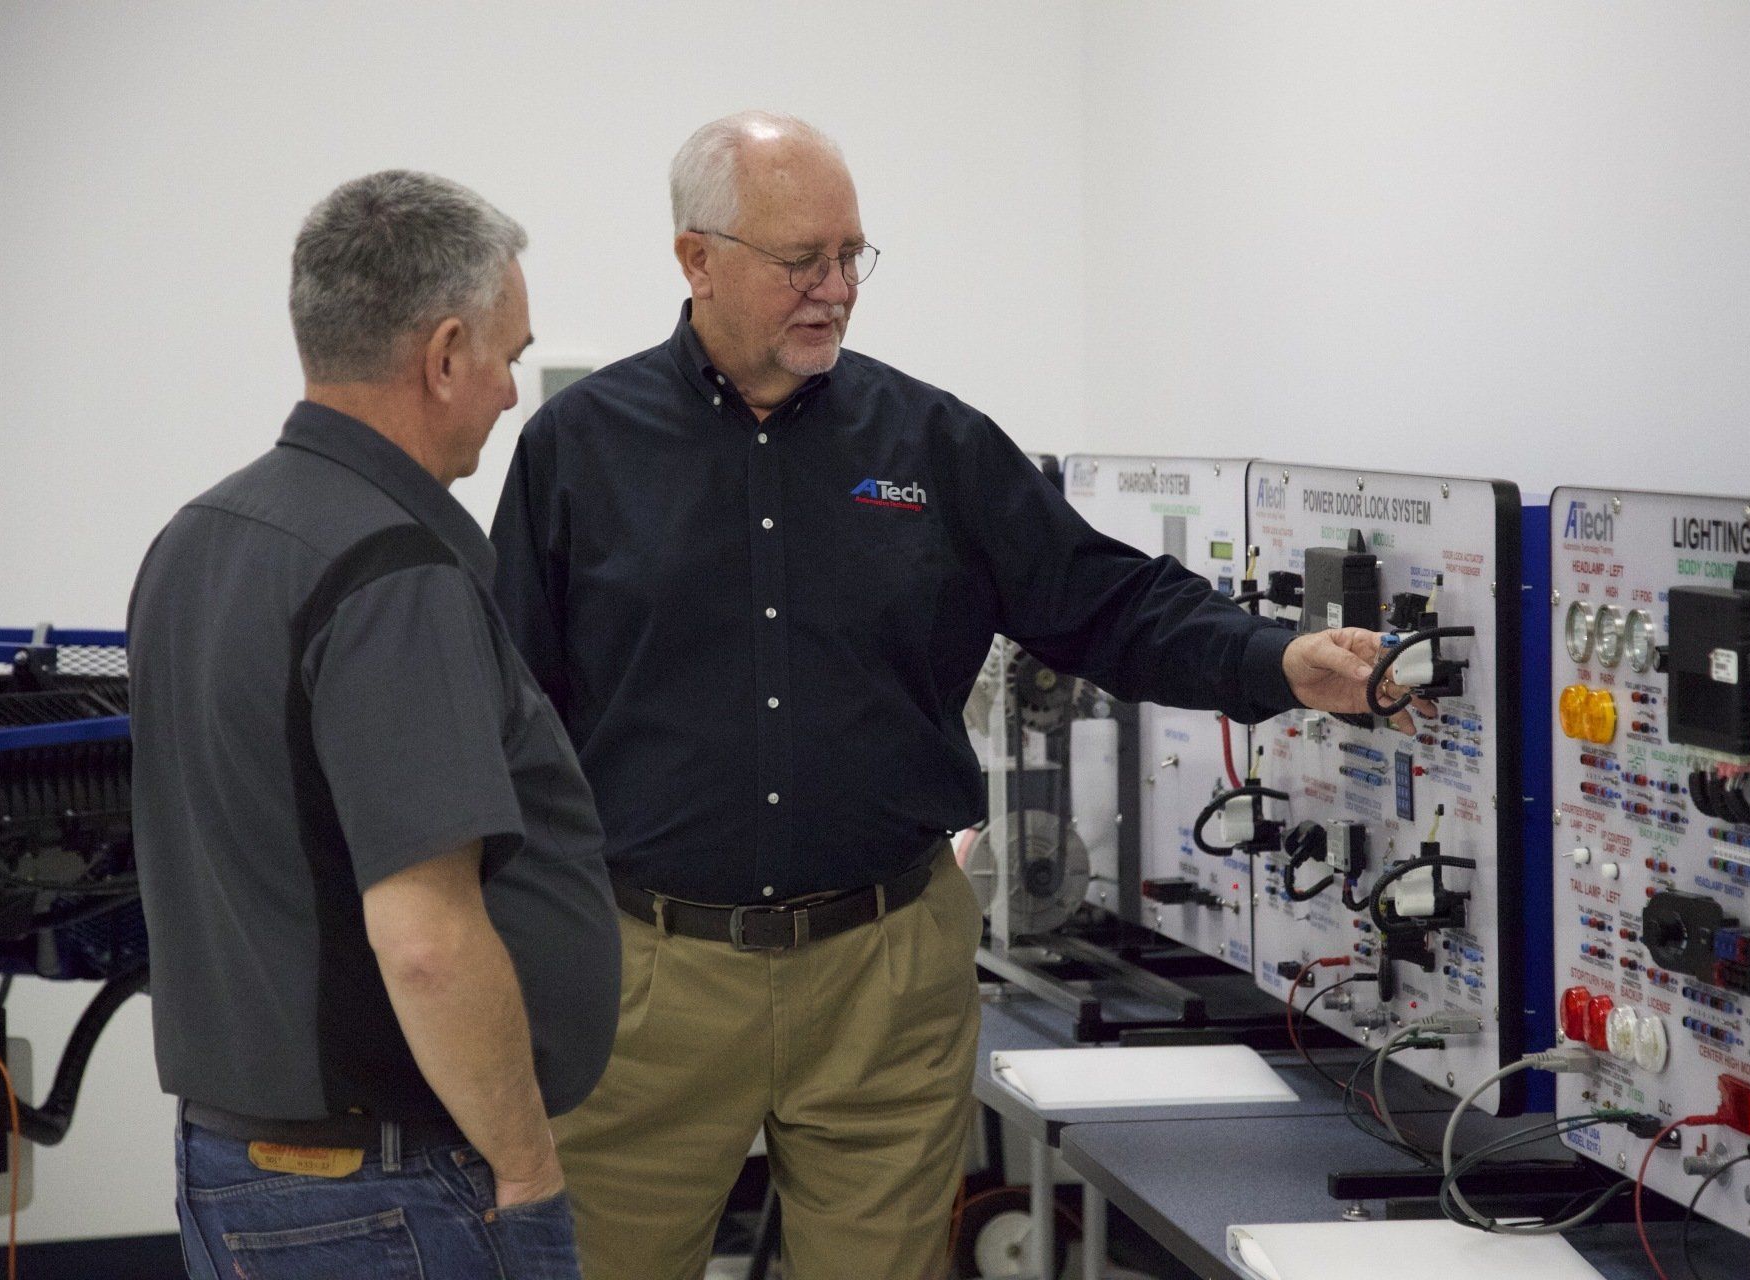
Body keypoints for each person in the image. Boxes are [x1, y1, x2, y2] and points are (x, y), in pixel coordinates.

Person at [490, 111, 1414, 1280]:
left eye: (851, 257)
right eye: (798, 262)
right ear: (696, 258)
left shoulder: (931, 441)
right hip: (650, 975)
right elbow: (509, 714)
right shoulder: (579, 447)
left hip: (884, 971)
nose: (833, 290)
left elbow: (1104, 600)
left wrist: (1273, 659)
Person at [128, 169, 620, 1279]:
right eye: (506, 354)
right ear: (445, 355)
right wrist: (530, 1166)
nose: (507, 393)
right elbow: (430, 941)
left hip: (235, 1164)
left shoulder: (197, 537)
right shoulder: (391, 571)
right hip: (389, 1186)